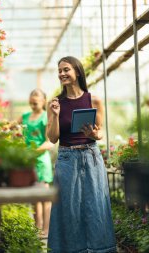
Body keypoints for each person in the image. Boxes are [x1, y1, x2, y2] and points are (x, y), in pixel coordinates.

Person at [47, 56, 116, 252]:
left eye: (66, 69)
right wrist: (55, 115)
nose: (61, 74)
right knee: (68, 209)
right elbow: (52, 138)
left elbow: (100, 132)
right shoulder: (54, 103)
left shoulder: (93, 99)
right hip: (66, 159)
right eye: (59, 70)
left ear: (77, 72)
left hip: (91, 156)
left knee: (96, 205)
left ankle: (101, 249)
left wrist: (93, 134)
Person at [17, 88, 54, 237]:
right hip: (27, 161)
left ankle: (46, 230)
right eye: (32, 96)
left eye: (37, 96)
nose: (34, 99)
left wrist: (33, 151)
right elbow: (10, 129)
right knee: (34, 196)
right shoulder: (24, 116)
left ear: (44, 101)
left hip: (41, 160)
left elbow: (49, 142)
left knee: (44, 195)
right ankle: (37, 227)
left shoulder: (46, 117)